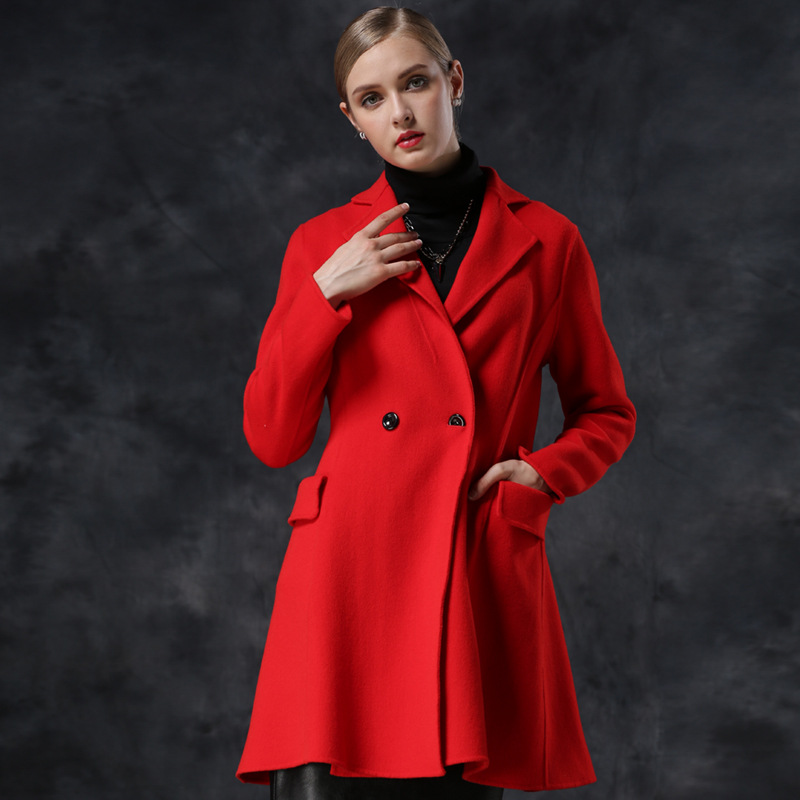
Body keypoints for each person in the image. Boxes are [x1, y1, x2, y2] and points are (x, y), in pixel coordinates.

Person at [236, 7, 636, 798]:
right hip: (346, 579)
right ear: (351, 119)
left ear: (453, 82)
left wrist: (542, 474)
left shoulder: (549, 242)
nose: (401, 112)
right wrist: (324, 296)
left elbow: (606, 411)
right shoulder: (321, 246)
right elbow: (274, 439)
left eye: (414, 82)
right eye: (373, 98)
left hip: (472, 564)